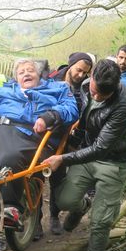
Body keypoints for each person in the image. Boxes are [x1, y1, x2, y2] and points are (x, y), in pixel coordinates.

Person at [43, 59, 126, 251]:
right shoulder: (86, 85)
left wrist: (63, 159)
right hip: (86, 153)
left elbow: (101, 149)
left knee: (101, 220)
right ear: (91, 77)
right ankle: (82, 204)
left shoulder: (125, 107)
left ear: (114, 88)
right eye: (94, 91)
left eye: (102, 96)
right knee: (64, 200)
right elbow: (83, 121)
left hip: (113, 162)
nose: (96, 97)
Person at [0, 58, 79, 251]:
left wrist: (50, 116)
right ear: (16, 78)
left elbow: (72, 108)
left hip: (41, 136)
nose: (26, 74)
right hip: (8, 130)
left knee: (34, 171)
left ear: (39, 75)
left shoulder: (58, 89)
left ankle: (20, 217)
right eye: (21, 72)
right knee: (9, 157)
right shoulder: (3, 91)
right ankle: (5, 217)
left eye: (30, 70)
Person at [48, 51, 94, 234]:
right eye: (79, 70)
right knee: (34, 177)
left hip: (71, 140)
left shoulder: (85, 88)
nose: (81, 75)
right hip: (47, 136)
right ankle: (34, 223)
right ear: (70, 65)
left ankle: (53, 215)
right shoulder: (50, 79)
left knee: (58, 178)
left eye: (85, 73)